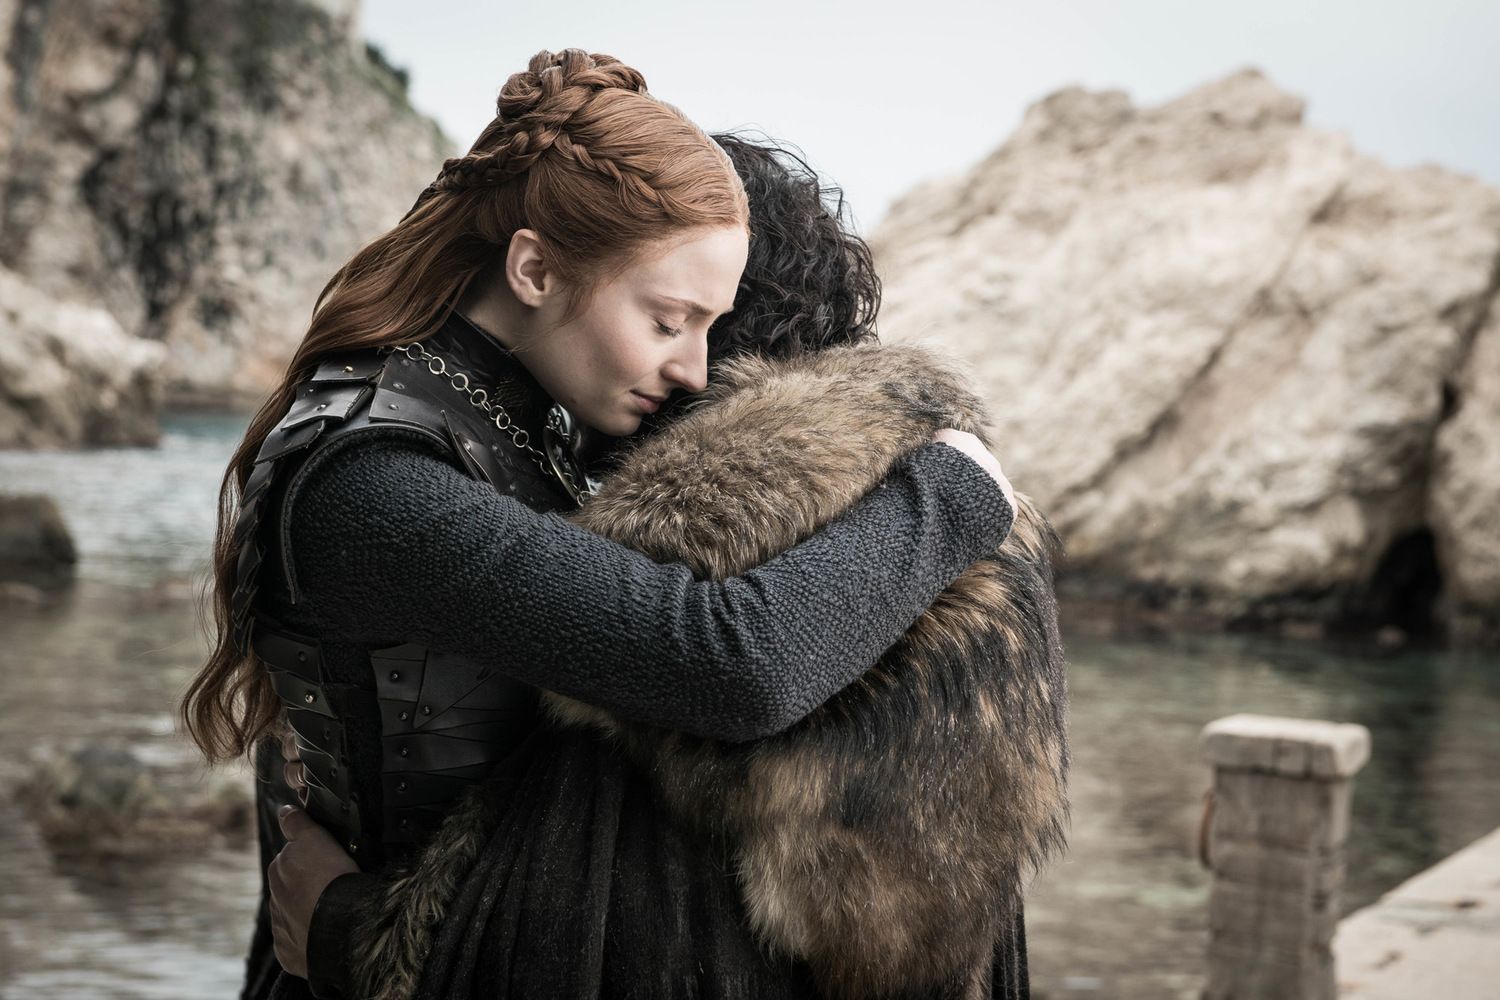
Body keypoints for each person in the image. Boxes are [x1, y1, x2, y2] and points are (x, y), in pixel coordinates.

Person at [180, 50, 1016, 999]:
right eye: (667, 321)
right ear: (535, 268)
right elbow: (730, 665)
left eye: (710, 327)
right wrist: (951, 488)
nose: (693, 369)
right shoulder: (369, 479)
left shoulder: (521, 418)